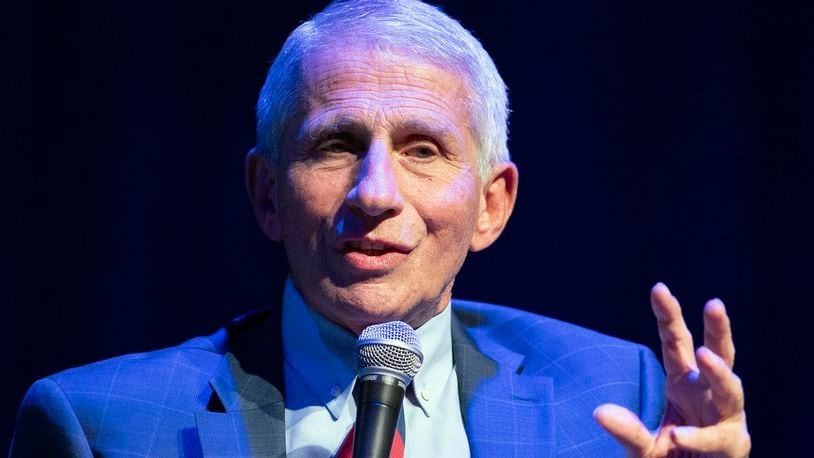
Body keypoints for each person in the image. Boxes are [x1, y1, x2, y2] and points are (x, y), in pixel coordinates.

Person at [10, 0, 750, 456]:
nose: (374, 193)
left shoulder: (618, 398)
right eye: (335, 146)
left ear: (493, 204)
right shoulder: (100, 428)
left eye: (422, 150)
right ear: (267, 194)